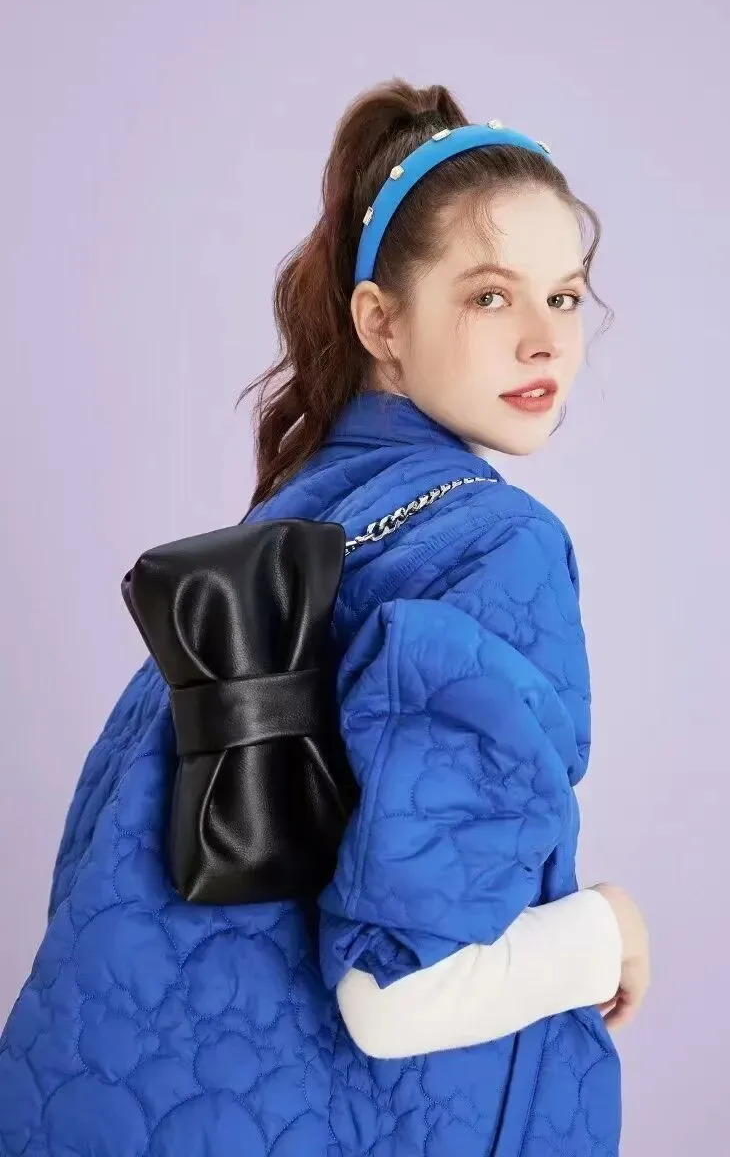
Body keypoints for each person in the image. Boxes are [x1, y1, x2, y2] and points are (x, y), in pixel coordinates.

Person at [0, 79, 650, 1156]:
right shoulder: (498, 544)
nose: (545, 340)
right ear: (380, 321)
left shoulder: (287, 525)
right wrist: (604, 933)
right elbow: (396, 994)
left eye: (566, 297)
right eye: (491, 297)